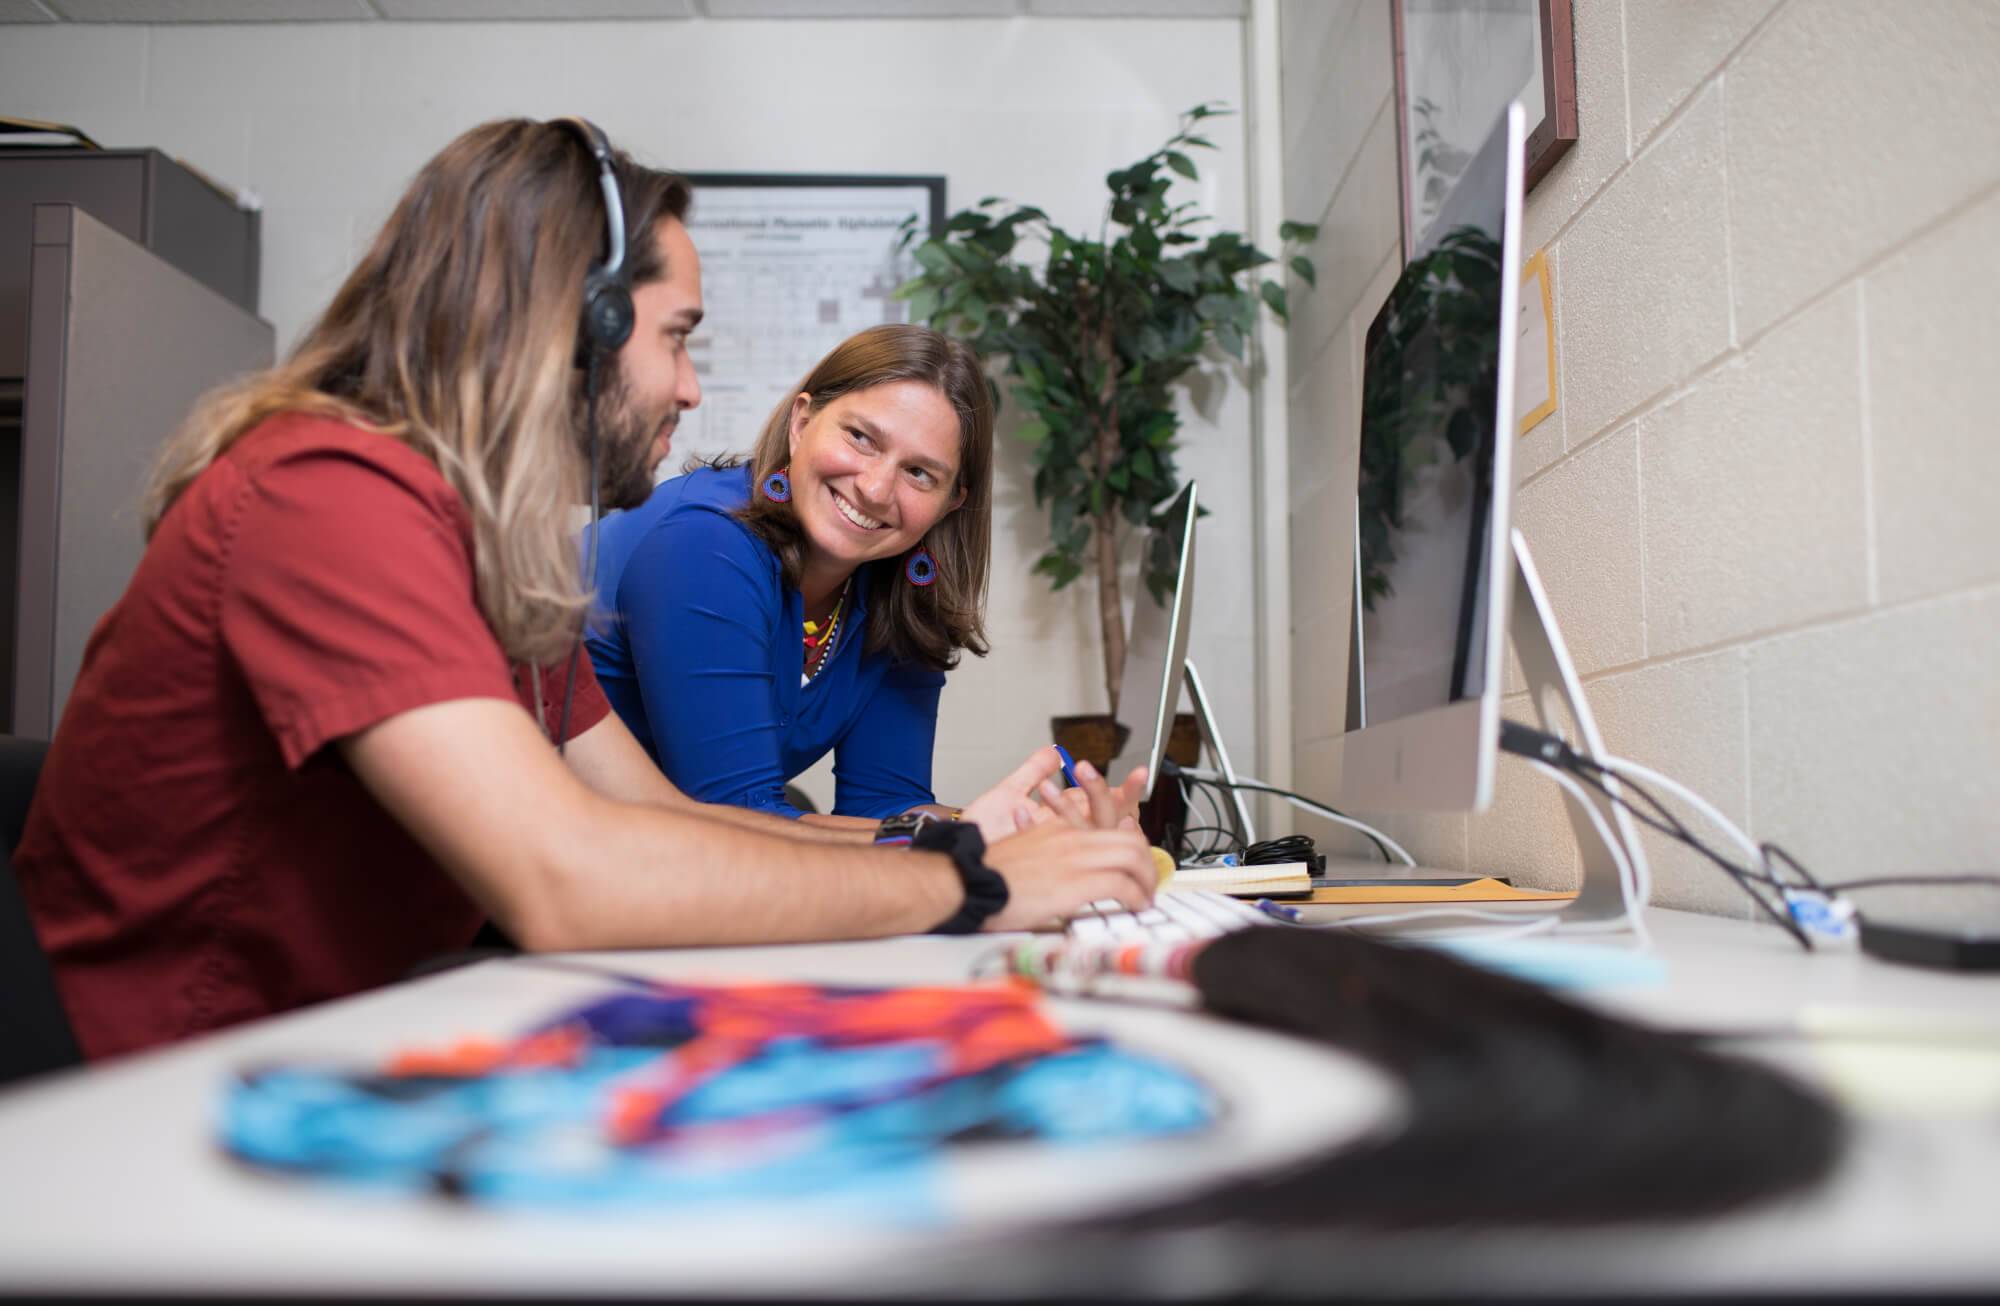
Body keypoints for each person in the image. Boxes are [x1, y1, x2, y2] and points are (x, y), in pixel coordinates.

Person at [12, 118, 1155, 1062]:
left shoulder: (474, 549)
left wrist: (954, 849)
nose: (692, 386)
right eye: (676, 338)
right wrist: (982, 887)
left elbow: (660, 817)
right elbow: (567, 877)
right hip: (163, 1076)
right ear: (571, 329)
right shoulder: (331, 495)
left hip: (343, 1039)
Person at [585, 324, 1004, 828]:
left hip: (646, 852)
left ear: (950, 503)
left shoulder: (899, 594)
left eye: (919, 473)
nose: (874, 489)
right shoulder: (706, 548)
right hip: (519, 858)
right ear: (802, 422)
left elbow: (885, 804)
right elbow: (737, 822)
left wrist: (1022, 829)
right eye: (861, 438)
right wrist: (973, 846)